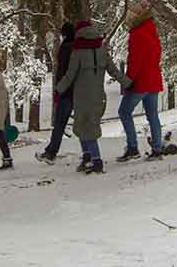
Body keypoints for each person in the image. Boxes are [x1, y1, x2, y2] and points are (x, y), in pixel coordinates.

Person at [55, 20, 131, 174]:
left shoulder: (78, 52)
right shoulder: (102, 51)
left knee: (84, 127)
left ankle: (96, 160)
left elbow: (70, 75)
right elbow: (114, 71)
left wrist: (59, 89)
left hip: (82, 97)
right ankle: (87, 158)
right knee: (89, 126)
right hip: (99, 96)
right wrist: (127, 83)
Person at [117, 0, 165, 162]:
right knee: (152, 115)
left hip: (141, 82)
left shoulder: (137, 34)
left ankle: (132, 147)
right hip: (153, 80)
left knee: (124, 112)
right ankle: (157, 148)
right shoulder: (152, 31)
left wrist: (127, 80)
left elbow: (135, 61)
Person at [35, 22, 75, 165]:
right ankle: (89, 153)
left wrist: (59, 90)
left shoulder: (66, 48)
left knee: (59, 123)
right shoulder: (77, 47)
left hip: (65, 92)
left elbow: (62, 71)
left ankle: (51, 152)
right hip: (75, 92)